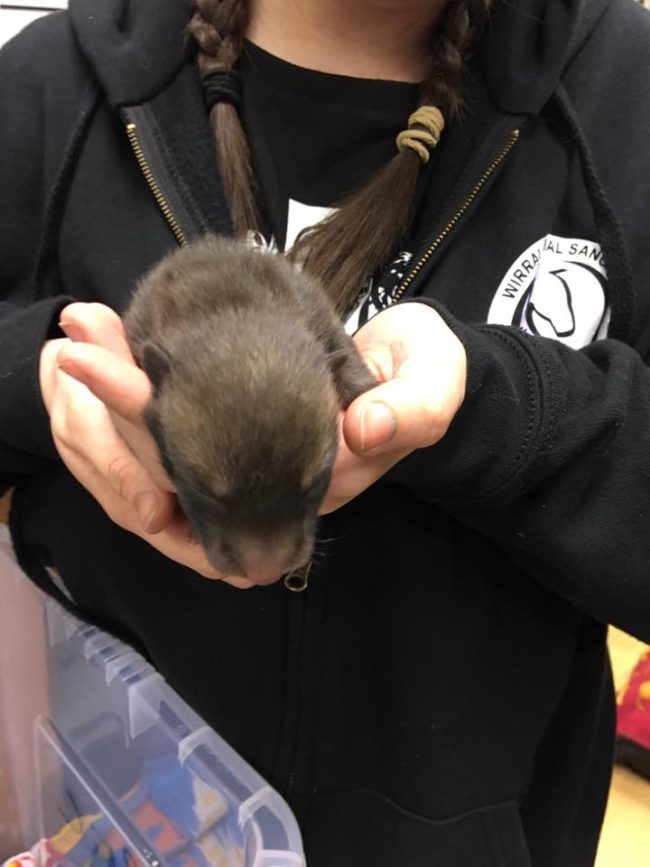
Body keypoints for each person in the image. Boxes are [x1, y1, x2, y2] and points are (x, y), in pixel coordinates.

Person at [1, 0, 649, 864]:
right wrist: (41, 375)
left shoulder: (625, 95)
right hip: (116, 812)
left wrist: (504, 407)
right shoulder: (49, 84)